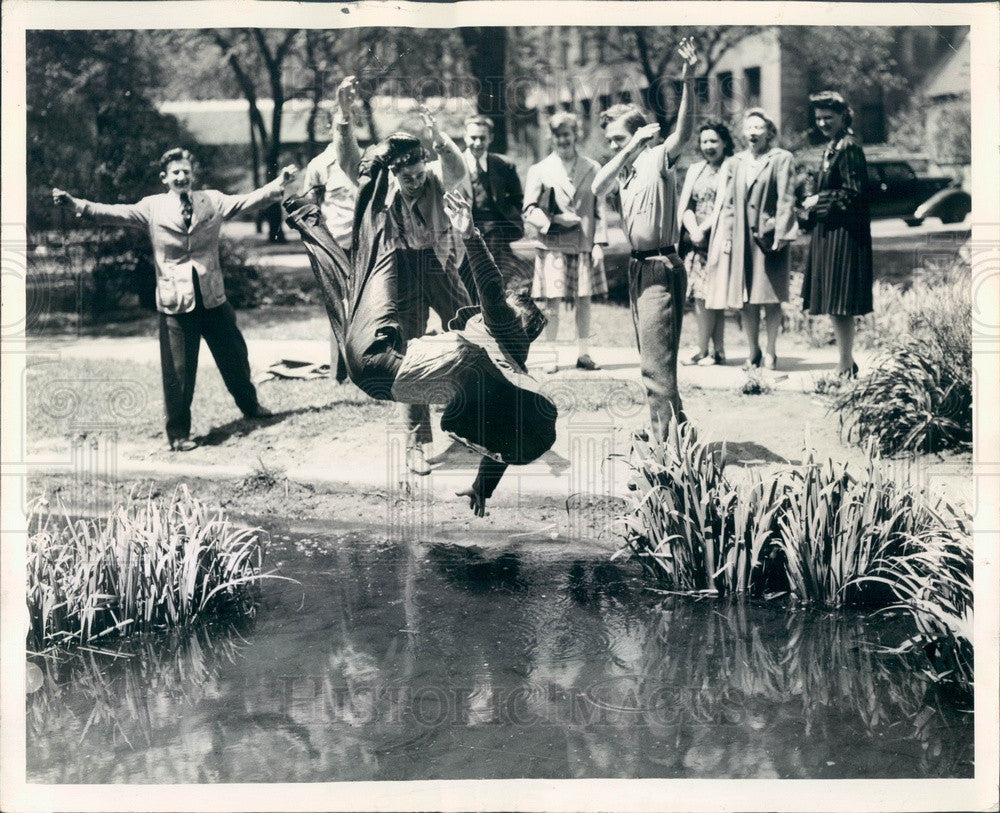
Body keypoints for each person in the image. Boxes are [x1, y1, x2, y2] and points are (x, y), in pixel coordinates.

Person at [283, 141, 556, 517]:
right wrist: (481, 488)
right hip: (378, 376)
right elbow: (503, 445)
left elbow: (491, 290)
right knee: (352, 284)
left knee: (375, 247)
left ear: (516, 322)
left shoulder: (506, 332)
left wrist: (471, 237)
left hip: (379, 359)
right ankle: (306, 218)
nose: (495, 308)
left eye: (506, 307)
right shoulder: (509, 374)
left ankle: (374, 166)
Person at [53, 149, 298, 451]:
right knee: (178, 373)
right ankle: (179, 433)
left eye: (185, 172)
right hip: (175, 303)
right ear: (165, 178)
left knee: (235, 356)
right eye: (175, 173)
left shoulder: (212, 200)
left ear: (192, 175)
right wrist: (77, 204)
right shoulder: (152, 207)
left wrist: (279, 183)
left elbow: (248, 200)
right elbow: (115, 212)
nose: (181, 177)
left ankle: (251, 407)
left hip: (212, 298)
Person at [332, 108, 474, 474]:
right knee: (407, 352)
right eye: (406, 175)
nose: (413, 181)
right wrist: (344, 122)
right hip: (401, 267)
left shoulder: (437, 177)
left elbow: (458, 170)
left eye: (418, 173)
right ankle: (417, 442)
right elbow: (350, 165)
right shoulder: (386, 185)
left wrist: (440, 139)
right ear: (395, 172)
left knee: (472, 333)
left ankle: (477, 420)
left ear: (426, 165)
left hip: (438, 262)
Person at [592, 37, 698, 438]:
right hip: (638, 267)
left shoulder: (657, 159)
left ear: (641, 136)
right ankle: (677, 431)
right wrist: (624, 151)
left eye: (620, 139)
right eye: (612, 143)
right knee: (652, 358)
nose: (614, 147)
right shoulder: (624, 170)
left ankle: (664, 448)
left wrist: (688, 82)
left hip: (660, 264)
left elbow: (684, 133)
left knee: (657, 365)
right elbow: (597, 189)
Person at [523, 111, 608, 373]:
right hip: (554, 245)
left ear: (575, 136)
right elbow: (528, 208)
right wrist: (553, 222)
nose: (563, 140)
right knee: (552, 302)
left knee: (584, 300)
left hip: (583, 243)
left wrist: (598, 243)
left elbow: (599, 209)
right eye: (558, 135)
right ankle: (551, 355)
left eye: (567, 134)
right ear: (551, 137)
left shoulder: (593, 168)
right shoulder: (539, 170)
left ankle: (584, 354)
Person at [800, 91, 873, 377]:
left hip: (845, 236)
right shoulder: (833, 146)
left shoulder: (849, 147)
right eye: (818, 118)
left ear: (844, 116)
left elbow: (854, 194)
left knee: (841, 302)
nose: (822, 123)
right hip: (830, 233)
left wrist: (819, 200)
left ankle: (845, 364)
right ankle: (845, 362)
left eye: (828, 117)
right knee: (834, 302)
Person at [721, 108, 798, 371]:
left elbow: (787, 198)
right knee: (746, 297)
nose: (753, 133)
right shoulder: (735, 162)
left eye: (759, 128)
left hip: (769, 238)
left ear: (769, 132)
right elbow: (730, 204)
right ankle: (752, 351)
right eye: (749, 128)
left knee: (770, 295)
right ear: (743, 132)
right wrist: (729, 237)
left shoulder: (781, 158)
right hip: (742, 237)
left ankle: (771, 351)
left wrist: (782, 233)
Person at [302, 76, 362, 384]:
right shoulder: (318, 165)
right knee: (339, 307)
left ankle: (368, 366)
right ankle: (340, 372)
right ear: (331, 128)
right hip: (335, 244)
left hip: (366, 242)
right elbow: (310, 210)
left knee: (367, 302)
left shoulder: (364, 158)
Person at [677, 119, 735, 367]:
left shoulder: (731, 168)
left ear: (724, 143)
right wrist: (693, 229)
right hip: (696, 242)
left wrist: (703, 228)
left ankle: (712, 350)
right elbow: (686, 204)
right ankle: (707, 349)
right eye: (704, 141)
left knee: (714, 296)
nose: (709, 146)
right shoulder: (695, 169)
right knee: (702, 296)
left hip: (718, 238)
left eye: (714, 141)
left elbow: (725, 207)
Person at [461, 114, 531, 298]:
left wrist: (507, 220)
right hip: (464, 232)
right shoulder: (455, 165)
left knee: (495, 282)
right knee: (466, 283)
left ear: (490, 138)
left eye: (482, 138)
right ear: (464, 136)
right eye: (473, 137)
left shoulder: (503, 165)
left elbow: (517, 198)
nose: (477, 143)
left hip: (495, 234)